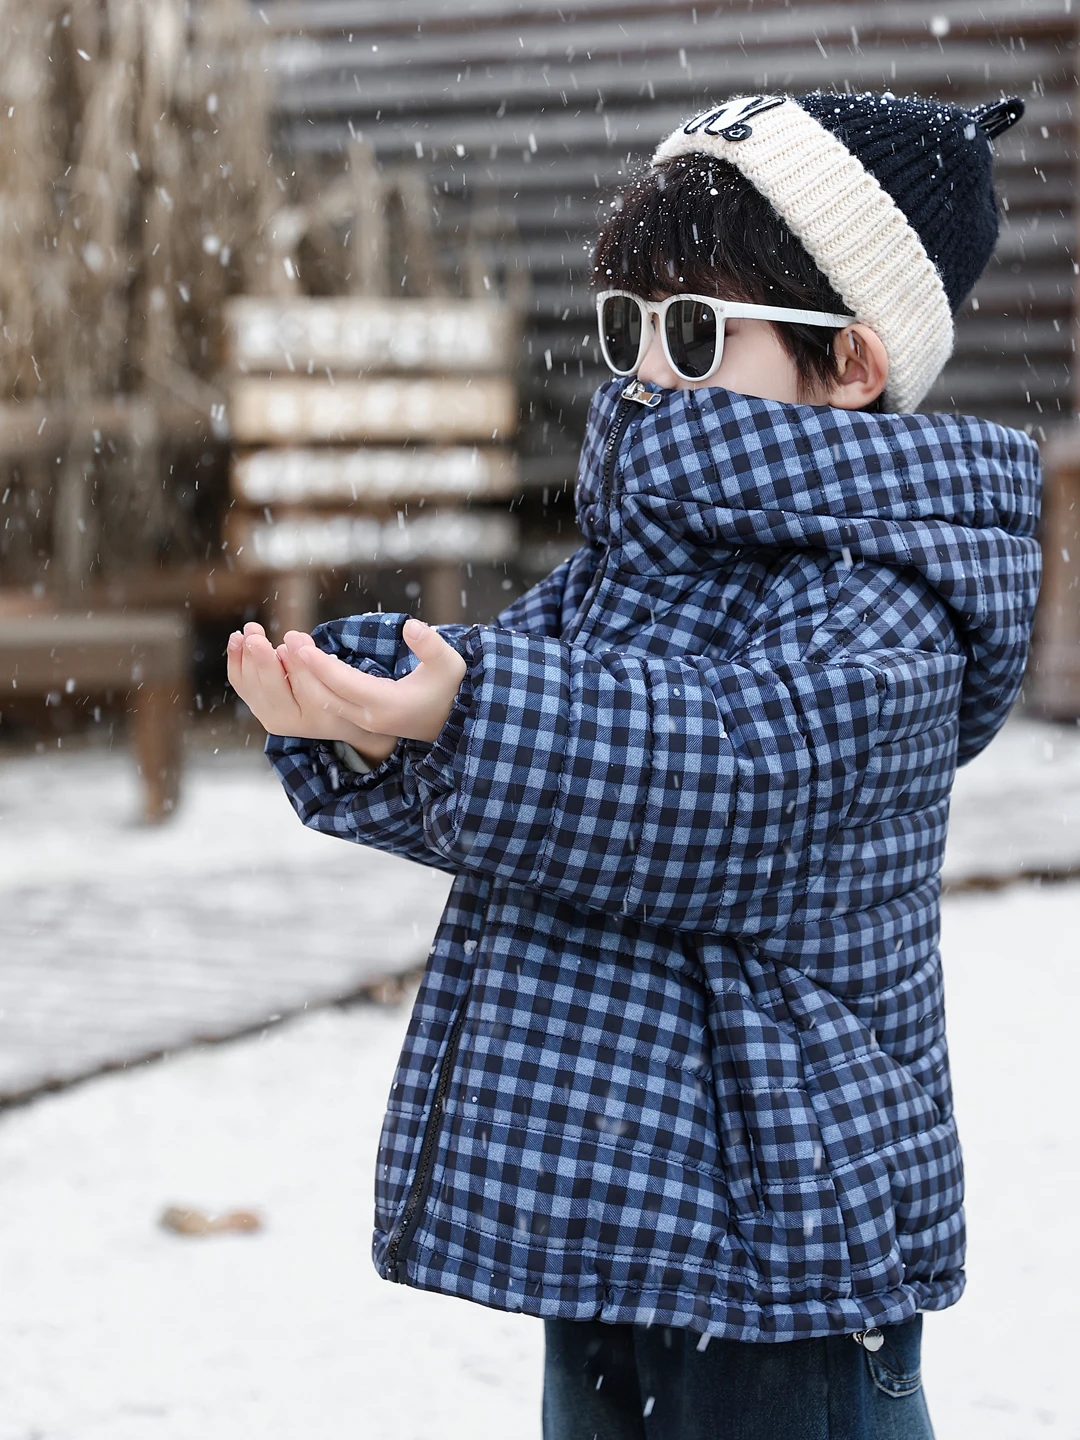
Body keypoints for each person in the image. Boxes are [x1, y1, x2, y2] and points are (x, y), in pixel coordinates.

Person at [227, 91, 1041, 1439]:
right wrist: (374, 707)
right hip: (617, 1209)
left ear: (850, 363)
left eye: (700, 330)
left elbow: (719, 777)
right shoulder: (646, 558)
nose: (651, 370)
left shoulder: (891, 600)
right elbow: (552, 767)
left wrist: (469, 711)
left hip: (783, 1226)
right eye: (630, 325)